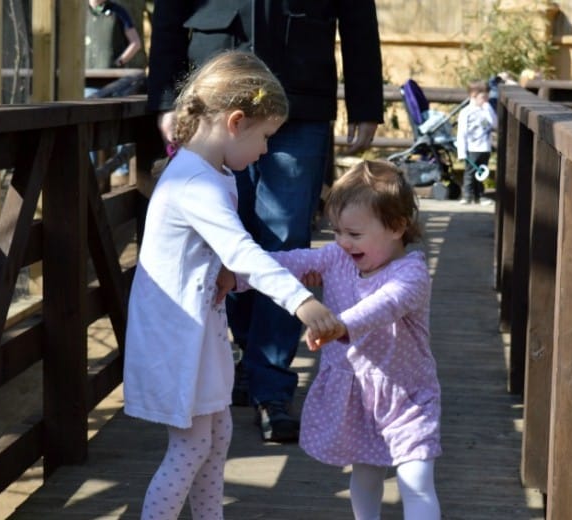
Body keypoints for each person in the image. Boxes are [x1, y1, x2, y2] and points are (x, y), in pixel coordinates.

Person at [146, 0, 385, 443]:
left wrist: (365, 98)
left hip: (300, 91)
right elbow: (168, 10)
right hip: (215, 89)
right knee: (222, 239)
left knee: (283, 241)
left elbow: (356, 11)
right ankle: (244, 359)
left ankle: (271, 386)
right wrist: (166, 96)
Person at [122, 50, 344, 520]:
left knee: (216, 436)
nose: (265, 151)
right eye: (265, 137)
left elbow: (218, 257)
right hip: (176, 335)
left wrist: (227, 273)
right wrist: (301, 301)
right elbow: (241, 249)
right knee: (190, 446)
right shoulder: (195, 184)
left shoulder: (212, 173)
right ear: (236, 122)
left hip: (199, 327)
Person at [234, 159, 442, 519]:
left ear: (397, 227)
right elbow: (292, 262)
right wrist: (239, 273)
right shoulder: (338, 258)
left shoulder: (412, 275)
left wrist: (337, 325)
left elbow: (383, 305)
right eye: (337, 232)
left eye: (355, 234)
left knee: (416, 479)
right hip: (358, 395)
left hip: (405, 397)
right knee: (364, 472)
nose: (343, 242)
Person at [85, 0, 143, 183]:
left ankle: (121, 172)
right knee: (87, 124)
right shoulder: (80, 14)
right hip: (88, 79)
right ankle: (90, 173)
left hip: (115, 79)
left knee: (118, 122)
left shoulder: (118, 11)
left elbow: (135, 43)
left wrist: (119, 61)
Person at [456, 79, 497, 205]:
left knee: (482, 173)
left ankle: (480, 196)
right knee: (470, 173)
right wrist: (461, 152)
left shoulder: (487, 109)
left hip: (485, 148)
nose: (486, 99)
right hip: (472, 148)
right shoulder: (466, 112)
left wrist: (488, 109)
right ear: (473, 95)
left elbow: (495, 124)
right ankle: (467, 195)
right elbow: (461, 133)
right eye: (483, 96)